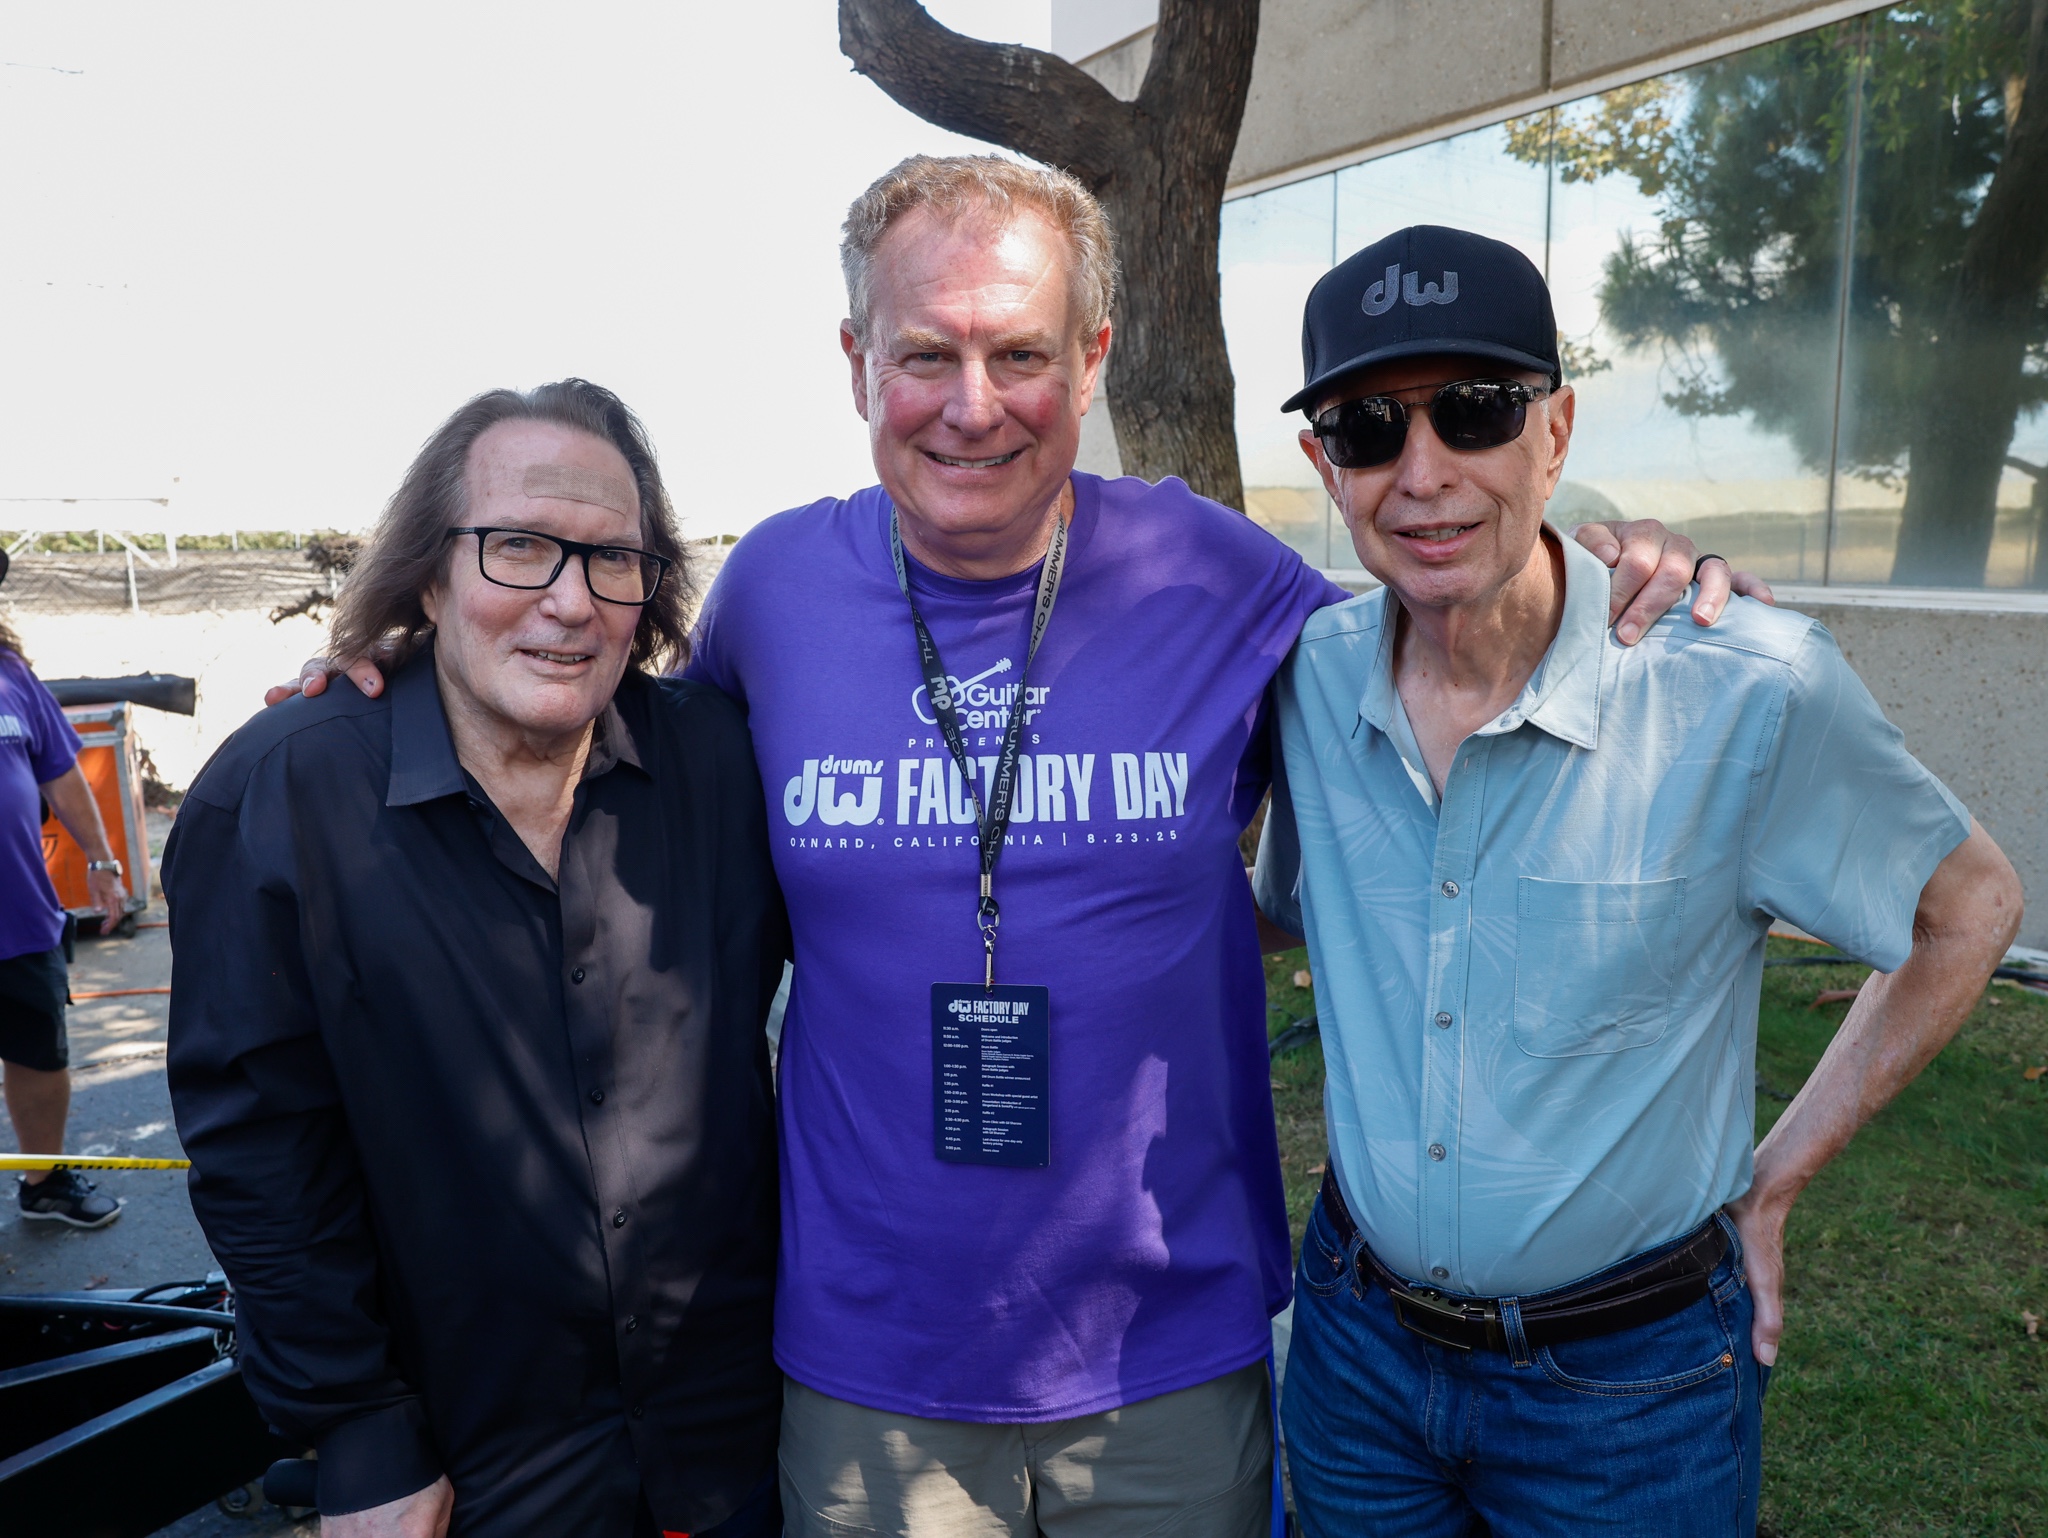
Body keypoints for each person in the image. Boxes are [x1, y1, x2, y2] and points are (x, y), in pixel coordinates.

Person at [282, 159, 1768, 1536]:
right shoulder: (774, 592)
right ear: (857, 361)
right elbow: (596, 730)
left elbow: (1452, 611)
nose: (971, 405)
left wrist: (1608, 561)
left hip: (1167, 1358)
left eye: (1019, 354)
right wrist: (407, 674)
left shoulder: (1220, 577)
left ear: (1094, 360)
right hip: (866, 1368)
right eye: (925, 353)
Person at [1253, 224, 2025, 1537]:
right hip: (1356, 1352)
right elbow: (1279, 912)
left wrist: (1774, 1180)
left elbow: (1971, 908)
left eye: (1476, 410)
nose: (1423, 472)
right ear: (1327, 465)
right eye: (1370, 428)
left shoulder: (1742, 687)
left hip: (1629, 1391)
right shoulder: (1308, 680)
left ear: (1553, 433)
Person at [165, 381, 787, 1538]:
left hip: (733, 1445)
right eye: (519, 547)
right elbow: (259, 1146)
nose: (570, 600)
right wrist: (358, 1429)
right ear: (428, 572)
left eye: (612, 558)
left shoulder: (727, 766)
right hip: (462, 1470)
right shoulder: (285, 792)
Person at [0, 555, 131, 1230]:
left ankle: (43, 1182)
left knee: (38, 1057)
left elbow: (62, 774)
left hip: (19, 918)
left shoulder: (11, 674)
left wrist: (103, 861)